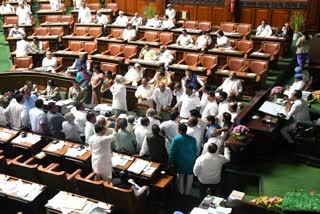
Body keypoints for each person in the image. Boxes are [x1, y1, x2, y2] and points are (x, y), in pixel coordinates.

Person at [169, 123, 197, 196]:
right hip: (191, 160)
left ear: (179, 130)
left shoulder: (176, 139)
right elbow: (196, 150)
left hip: (180, 160)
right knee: (190, 175)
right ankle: (188, 192)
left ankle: (181, 191)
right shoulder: (193, 139)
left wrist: (170, 161)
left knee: (181, 175)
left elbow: (172, 151)